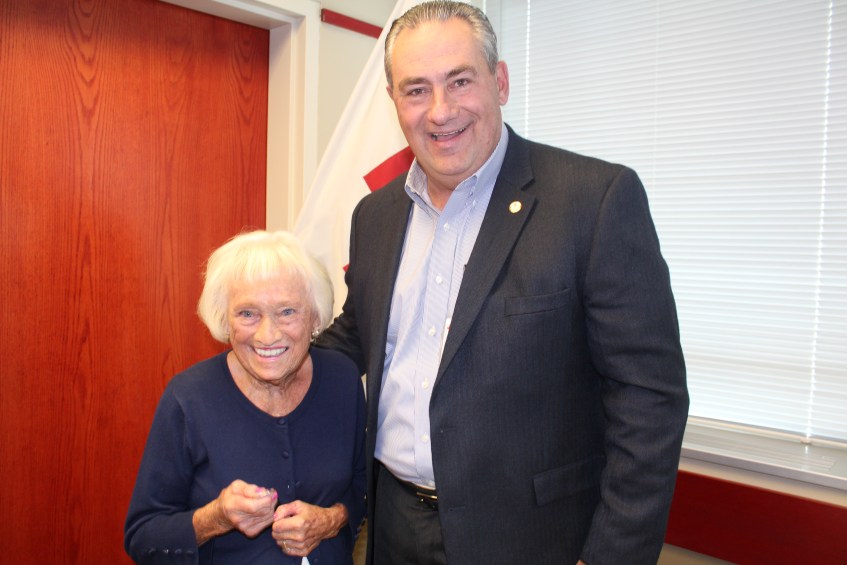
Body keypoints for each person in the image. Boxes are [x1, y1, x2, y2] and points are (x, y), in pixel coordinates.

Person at [315, 2, 689, 564]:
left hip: (530, 539)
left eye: (459, 81)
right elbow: (359, 332)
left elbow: (649, 400)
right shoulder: (375, 215)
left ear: (501, 81)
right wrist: (269, 353)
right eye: (416, 90)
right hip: (393, 527)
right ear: (394, 100)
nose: (441, 111)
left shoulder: (593, 201)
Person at [125, 230, 366, 565]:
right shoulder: (189, 398)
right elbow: (142, 537)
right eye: (248, 314)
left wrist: (333, 518)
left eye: (287, 312)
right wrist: (215, 517)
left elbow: (363, 484)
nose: (268, 335)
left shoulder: (342, 380)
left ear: (315, 316)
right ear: (225, 320)